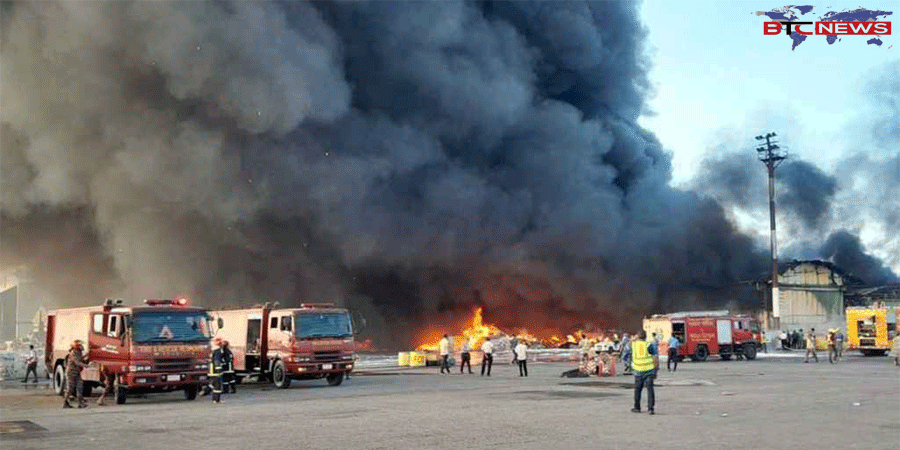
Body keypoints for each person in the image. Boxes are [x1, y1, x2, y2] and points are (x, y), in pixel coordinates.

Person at [630, 330, 658, 415]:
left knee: (637, 390)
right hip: (649, 371)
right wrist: (655, 370)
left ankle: (637, 407)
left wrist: (634, 338)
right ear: (646, 337)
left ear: (638, 337)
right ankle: (650, 409)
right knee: (650, 390)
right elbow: (655, 358)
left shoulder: (634, 345)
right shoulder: (649, 345)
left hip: (638, 371)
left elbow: (628, 344)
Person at [63, 340, 89, 409]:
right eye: (78, 345)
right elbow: (77, 362)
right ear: (74, 347)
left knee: (80, 387)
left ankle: (81, 403)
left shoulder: (79, 353)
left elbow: (80, 359)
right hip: (71, 373)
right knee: (70, 389)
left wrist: (87, 354)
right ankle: (65, 403)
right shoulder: (73, 353)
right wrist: (84, 365)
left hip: (77, 372)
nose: (80, 346)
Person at [209, 338, 225, 403]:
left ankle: (214, 399)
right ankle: (217, 400)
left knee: (214, 386)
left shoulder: (213, 350)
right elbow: (217, 361)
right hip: (216, 372)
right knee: (217, 387)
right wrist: (219, 371)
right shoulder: (218, 351)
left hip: (212, 371)